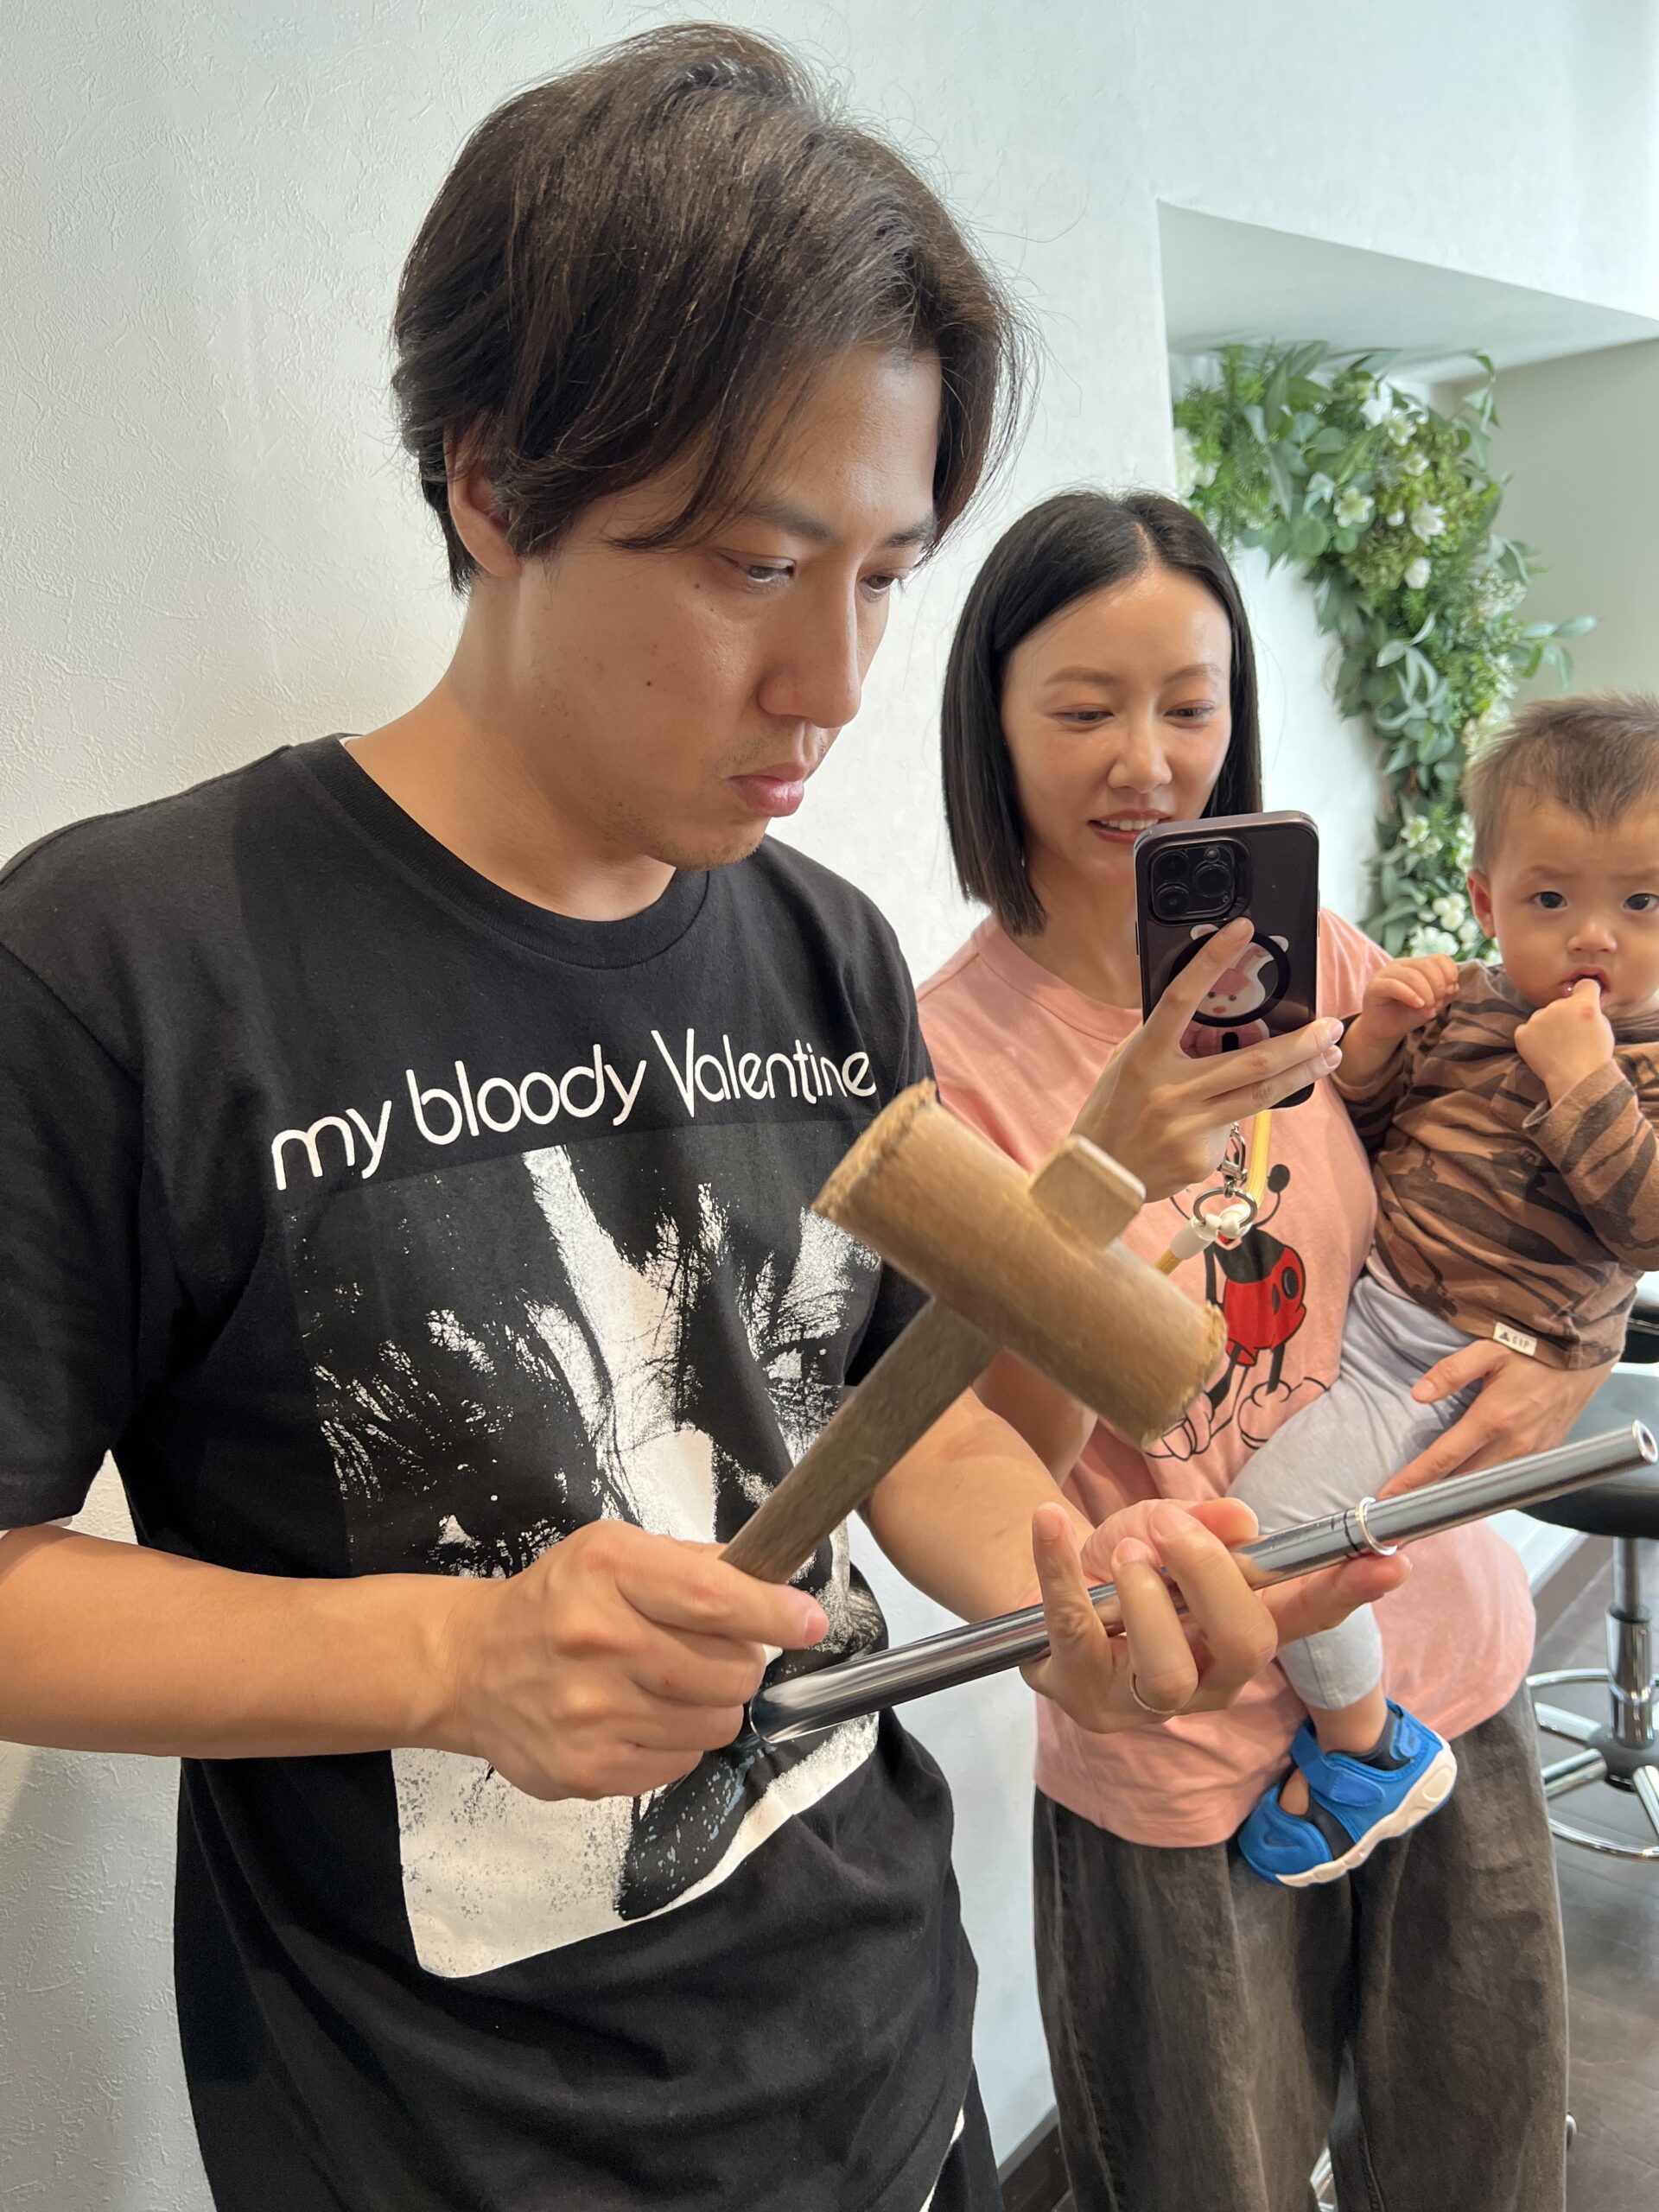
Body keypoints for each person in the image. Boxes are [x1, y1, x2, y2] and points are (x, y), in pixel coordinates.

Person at [0, 32, 1400, 2212]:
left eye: (886, 574)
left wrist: (1076, 1577)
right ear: (492, 483)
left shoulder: (818, 946)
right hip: (453, 2145)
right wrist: (456, 1653)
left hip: (885, 2069)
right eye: (754, 564)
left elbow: (906, 1423)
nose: (833, 684)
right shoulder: (133, 961)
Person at [918, 486, 1605, 2212]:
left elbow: (1519, 1216)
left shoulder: (1329, 972)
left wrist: (1568, 1354)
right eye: (1084, 708)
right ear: (991, 721)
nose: (1149, 762)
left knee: (1481, 2168)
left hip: (1445, 1666)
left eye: (1191, 703)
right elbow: (987, 1450)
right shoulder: (952, 1059)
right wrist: (1101, 1171)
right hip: (1183, 1740)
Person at [1231, 693, 1659, 1885]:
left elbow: (1646, 1229)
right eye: (1551, 900)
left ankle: (1366, 1749)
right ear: (1486, 901)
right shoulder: (1466, 1003)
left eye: (1643, 902)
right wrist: (1373, 1041)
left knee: (1274, 1531)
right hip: (1366, 1306)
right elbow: (1363, 1136)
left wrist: (1588, 1085)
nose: (1595, 939)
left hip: (1447, 1362)